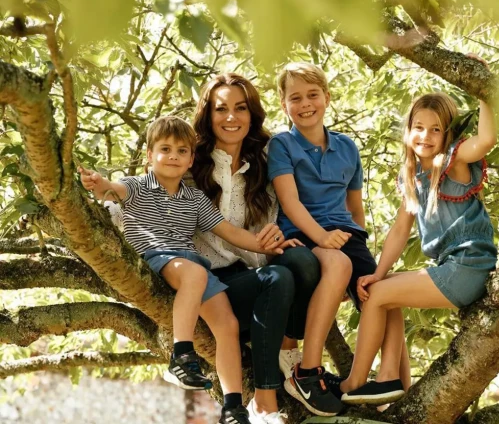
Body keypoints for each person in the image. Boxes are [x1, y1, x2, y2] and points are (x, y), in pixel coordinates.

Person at [79, 116, 294, 424]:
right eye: (164, 149)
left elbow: (231, 233)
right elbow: (110, 191)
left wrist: (272, 246)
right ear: (149, 155)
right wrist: (98, 184)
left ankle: (232, 407)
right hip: (158, 258)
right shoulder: (136, 186)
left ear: (192, 159)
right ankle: (181, 355)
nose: (173, 156)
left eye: (182, 151)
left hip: (191, 266)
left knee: (228, 326)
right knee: (195, 273)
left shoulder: (194, 199)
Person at [338, 55, 498, 405]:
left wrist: (485, 89)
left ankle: (353, 383)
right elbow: (399, 231)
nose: (425, 136)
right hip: (449, 268)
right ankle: (391, 382)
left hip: (467, 267)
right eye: (419, 127)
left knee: (379, 297)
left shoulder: (453, 162)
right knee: (383, 290)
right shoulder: (412, 176)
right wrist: (377, 273)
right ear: (408, 131)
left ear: (448, 134)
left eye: (435, 129)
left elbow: (485, 141)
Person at [267, 62, 409, 417]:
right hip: (302, 232)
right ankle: (307, 370)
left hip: (346, 235)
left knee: (384, 291)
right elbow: (290, 202)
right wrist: (322, 237)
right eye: (295, 98)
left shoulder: (347, 147)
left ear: (327, 98)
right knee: (340, 264)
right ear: (284, 105)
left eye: (312, 95)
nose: (305, 104)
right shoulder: (282, 145)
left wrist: (363, 251)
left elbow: (354, 208)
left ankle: (391, 380)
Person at [190, 73, 322, 424]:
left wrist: (276, 240)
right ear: (208, 115)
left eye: (240, 108)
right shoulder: (190, 163)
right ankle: (264, 402)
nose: (231, 117)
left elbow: (300, 199)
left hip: (258, 279)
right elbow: (147, 197)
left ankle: (287, 354)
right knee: (275, 278)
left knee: (303, 261)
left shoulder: (266, 158)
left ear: (252, 115)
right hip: (213, 284)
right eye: (221, 109)